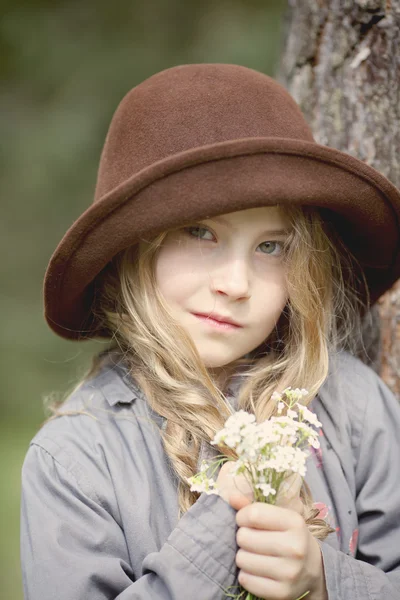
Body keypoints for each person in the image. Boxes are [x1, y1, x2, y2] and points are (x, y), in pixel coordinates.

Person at [20, 63, 400, 600]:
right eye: (200, 233)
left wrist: (323, 581)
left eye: (271, 247)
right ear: (135, 250)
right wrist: (221, 530)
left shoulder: (356, 407)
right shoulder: (76, 459)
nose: (236, 283)